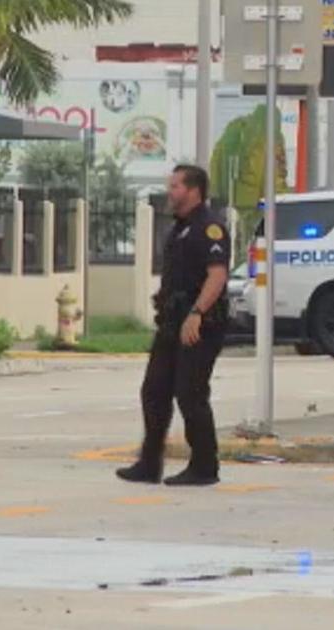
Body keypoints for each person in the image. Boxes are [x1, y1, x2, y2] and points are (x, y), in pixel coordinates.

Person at [118, 165, 230, 486]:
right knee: (154, 390)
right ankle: (149, 464)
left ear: (193, 190)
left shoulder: (209, 228)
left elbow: (217, 274)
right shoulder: (179, 228)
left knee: (190, 394)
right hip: (171, 322)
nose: (171, 191)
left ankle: (205, 467)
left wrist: (197, 313)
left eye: (176, 186)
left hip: (200, 324)